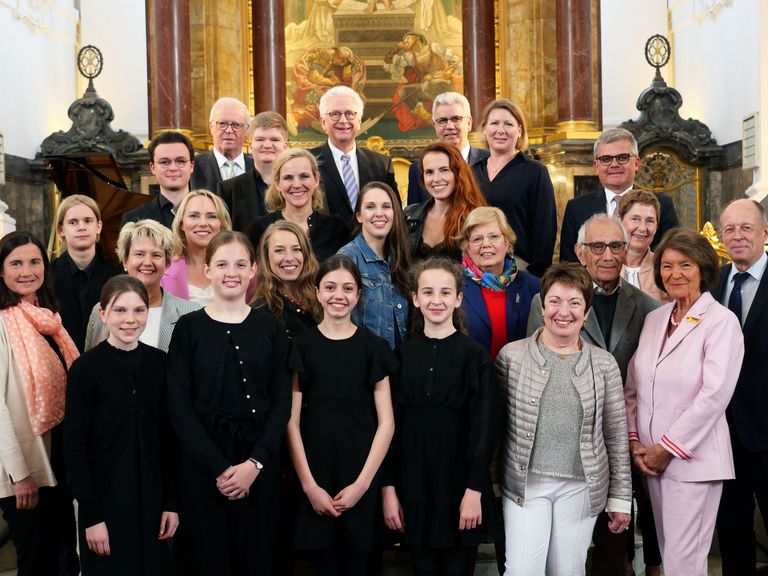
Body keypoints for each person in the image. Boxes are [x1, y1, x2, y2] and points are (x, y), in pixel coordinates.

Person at [527, 214, 658, 575]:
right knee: (561, 555)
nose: (608, 254)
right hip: (562, 451)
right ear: (579, 251)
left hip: (619, 443)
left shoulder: (648, 308)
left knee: (615, 553)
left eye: (617, 245)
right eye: (597, 246)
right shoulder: (548, 303)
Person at [167, 230, 291, 575]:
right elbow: (179, 406)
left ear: (254, 269)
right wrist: (220, 468)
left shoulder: (271, 328)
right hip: (204, 466)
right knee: (209, 559)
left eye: (240, 264)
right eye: (221, 264)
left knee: (258, 557)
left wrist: (255, 464)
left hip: (259, 464)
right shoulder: (188, 328)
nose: (231, 272)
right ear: (207, 270)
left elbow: (282, 401)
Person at [498, 262, 632, 575]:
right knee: (521, 569)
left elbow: (614, 434)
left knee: (568, 570)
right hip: (526, 486)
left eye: (574, 303)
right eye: (555, 301)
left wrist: (621, 498)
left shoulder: (604, 364)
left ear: (586, 313)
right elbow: (497, 429)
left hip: (580, 486)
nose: (564, 311)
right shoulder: (511, 357)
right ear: (542, 306)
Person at [625, 228, 744, 576]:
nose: (674, 273)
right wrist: (636, 443)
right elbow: (634, 387)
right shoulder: (654, 319)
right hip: (651, 460)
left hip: (693, 462)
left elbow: (714, 396)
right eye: (666, 265)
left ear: (704, 268)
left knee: (684, 563)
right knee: (668, 555)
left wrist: (666, 448)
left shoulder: (722, 322)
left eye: (685, 265)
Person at [383, 257, 501, 575]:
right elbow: (388, 429)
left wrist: (475, 490)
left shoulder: (474, 356)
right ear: (415, 298)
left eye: (445, 293)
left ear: (458, 299)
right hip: (413, 485)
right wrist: (389, 489)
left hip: (460, 486)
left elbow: (484, 428)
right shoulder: (400, 357)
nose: (437, 300)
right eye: (428, 292)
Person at [287, 254, 396, 575]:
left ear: (358, 295)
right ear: (318, 292)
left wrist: (363, 485)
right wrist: (309, 487)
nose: (339, 295)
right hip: (316, 479)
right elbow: (291, 423)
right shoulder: (303, 347)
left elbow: (387, 422)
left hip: (361, 477)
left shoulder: (374, 348)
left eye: (348, 288)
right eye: (330, 287)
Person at [64, 275, 178, 575]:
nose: (130, 320)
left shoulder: (161, 363)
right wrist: (91, 516)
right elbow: (74, 448)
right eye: (120, 310)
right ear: (103, 314)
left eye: (139, 310)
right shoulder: (85, 370)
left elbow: (170, 440)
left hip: (153, 504)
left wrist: (171, 503)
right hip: (105, 505)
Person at [0, 231, 80, 576]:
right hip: (27, 469)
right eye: (15, 263)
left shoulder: (49, 319)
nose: (27, 270)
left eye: (35, 261)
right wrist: (20, 476)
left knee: (63, 558)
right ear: (0, 271)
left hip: (59, 459)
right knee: (36, 562)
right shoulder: (2, 323)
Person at [712, 199, 768, 576]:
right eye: (729, 229)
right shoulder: (711, 283)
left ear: (764, 232)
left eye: (745, 227)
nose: (737, 236)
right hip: (720, 436)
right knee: (732, 534)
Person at [559, 128, 679, 263]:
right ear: (596, 166)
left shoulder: (663, 205)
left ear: (637, 163)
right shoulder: (576, 208)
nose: (614, 164)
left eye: (622, 158)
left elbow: (672, 257)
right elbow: (568, 265)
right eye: (606, 159)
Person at [84, 219, 200, 352]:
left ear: (167, 264)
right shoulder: (100, 311)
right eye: (139, 254)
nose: (147, 262)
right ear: (125, 261)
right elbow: (90, 364)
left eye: (156, 255)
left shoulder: (191, 314)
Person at [471, 99, 556, 277]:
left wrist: (535, 276)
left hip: (518, 268)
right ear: (485, 129)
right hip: (475, 266)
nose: (500, 130)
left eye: (508, 124)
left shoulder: (535, 171)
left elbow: (544, 228)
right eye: (494, 123)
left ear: (519, 131)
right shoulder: (472, 171)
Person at [458, 206, 539, 360]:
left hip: (521, 380)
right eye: (477, 239)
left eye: (494, 236)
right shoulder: (454, 288)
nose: (486, 244)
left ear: (507, 243)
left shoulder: (535, 287)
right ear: (467, 247)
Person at [337, 182, 412, 348]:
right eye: (370, 207)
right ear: (359, 216)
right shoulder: (347, 259)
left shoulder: (400, 255)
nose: (379, 213)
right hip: (367, 363)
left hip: (401, 361)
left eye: (386, 206)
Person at [310, 86, 399, 226]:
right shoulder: (309, 162)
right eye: (335, 114)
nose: (343, 120)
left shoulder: (382, 165)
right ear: (323, 122)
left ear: (359, 121)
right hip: (326, 246)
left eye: (350, 113)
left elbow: (395, 214)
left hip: (372, 246)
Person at [247, 148, 351, 261]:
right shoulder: (259, 228)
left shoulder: (336, 228)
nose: (296, 184)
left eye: (304, 176)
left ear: (316, 179)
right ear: (277, 184)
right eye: (288, 178)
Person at [52, 194, 120, 352]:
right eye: (73, 222)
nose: (81, 227)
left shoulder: (117, 278)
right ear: (61, 229)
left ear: (99, 226)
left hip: (104, 362)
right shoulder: (45, 276)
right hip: (57, 363)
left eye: (88, 221)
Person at [404, 142, 487, 262]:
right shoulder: (409, 215)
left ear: (458, 173)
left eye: (444, 170)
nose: (436, 179)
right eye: (429, 172)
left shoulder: (478, 218)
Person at [406, 92, 489, 205]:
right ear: (435, 126)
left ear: (469, 123)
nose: (449, 127)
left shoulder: (490, 161)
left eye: (456, 119)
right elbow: (414, 218)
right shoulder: (418, 169)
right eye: (442, 121)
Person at [218, 111, 290, 232]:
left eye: (275, 140)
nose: (267, 145)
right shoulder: (229, 190)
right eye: (260, 139)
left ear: (286, 146)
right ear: (250, 146)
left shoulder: (299, 187)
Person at [161, 189, 233, 304]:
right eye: (194, 216)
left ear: (222, 225)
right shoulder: (164, 270)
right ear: (181, 224)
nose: (203, 223)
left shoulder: (242, 268)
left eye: (212, 216)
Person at [252, 219, 321, 338]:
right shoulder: (259, 313)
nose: (289, 258)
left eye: (296, 249)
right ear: (266, 257)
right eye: (279, 250)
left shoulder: (322, 298)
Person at [122, 131, 195, 229]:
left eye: (180, 161)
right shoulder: (133, 219)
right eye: (164, 162)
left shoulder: (213, 212)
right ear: (153, 168)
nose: (173, 168)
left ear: (191, 166)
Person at [191, 97, 254, 191]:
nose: (229, 130)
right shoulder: (192, 168)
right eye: (222, 124)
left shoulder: (257, 168)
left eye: (236, 125)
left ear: (246, 130)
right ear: (211, 126)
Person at [618, 190, 667, 303]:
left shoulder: (664, 267)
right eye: (635, 219)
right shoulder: (605, 266)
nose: (642, 228)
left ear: (657, 227)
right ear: (620, 221)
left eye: (650, 221)